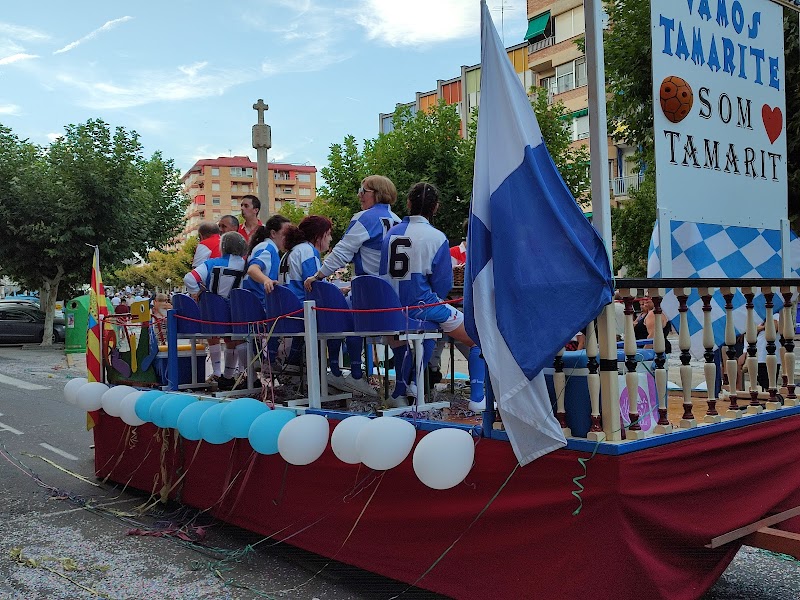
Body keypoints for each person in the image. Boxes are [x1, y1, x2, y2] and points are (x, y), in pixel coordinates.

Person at [380, 182, 486, 411]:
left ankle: (404, 388)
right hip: (422, 305)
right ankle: (478, 398)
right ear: (435, 208)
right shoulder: (436, 237)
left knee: (413, 338)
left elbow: (383, 274)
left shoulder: (390, 234)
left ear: (408, 203)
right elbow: (443, 284)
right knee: (478, 338)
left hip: (391, 308)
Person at [276, 216, 376, 397]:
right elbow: (315, 287)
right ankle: (345, 374)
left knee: (336, 311)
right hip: (302, 312)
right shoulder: (307, 250)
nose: (330, 239)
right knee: (350, 316)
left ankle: (333, 372)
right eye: (328, 234)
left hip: (288, 312)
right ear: (318, 235)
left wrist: (339, 290)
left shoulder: (289, 252)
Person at [303, 175, 401, 287]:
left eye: (363, 191)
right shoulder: (398, 220)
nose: (359, 195)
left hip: (370, 289)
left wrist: (318, 276)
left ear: (378, 193)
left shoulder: (365, 218)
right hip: (396, 290)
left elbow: (342, 252)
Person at [183, 231, 248, 390]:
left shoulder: (212, 263)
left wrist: (195, 293)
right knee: (234, 340)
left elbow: (189, 278)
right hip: (238, 313)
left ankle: (224, 376)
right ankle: (235, 375)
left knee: (223, 339)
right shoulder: (248, 265)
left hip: (214, 314)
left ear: (223, 247)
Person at [242, 215, 291, 369]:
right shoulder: (267, 248)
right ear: (273, 233)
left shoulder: (268, 248)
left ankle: (268, 361)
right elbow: (252, 269)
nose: (288, 238)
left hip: (252, 305)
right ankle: (276, 361)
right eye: (285, 233)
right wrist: (266, 280)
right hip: (259, 305)